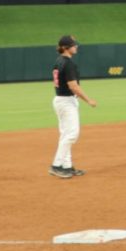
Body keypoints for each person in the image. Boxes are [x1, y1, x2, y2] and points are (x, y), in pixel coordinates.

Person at [50, 34, 96, 179]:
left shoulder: (59, 61)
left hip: (60, 100)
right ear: (65, 48)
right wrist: (88, 100)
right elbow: (73, 86)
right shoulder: (68, 63)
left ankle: (67, 167)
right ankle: (56, 166)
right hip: (66, 101)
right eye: (73, 45)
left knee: (65, 134)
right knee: (71, 134)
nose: (76, 46)